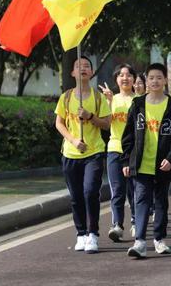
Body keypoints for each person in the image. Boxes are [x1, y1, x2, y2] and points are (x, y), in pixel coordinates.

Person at [122, 63, 171, 258]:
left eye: (159, 77)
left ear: (165, 80)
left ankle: (159, 239)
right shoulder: (138, 104)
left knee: (160, 202)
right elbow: (128, 135)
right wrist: (126, 161)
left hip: (163, 164)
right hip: (141, 164)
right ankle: (139, 241)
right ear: (146, 81)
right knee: (140, 200)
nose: (155, 81)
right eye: (151, 78)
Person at [54, 56, 112, 254]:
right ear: (72, 73)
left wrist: (90, 117)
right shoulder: (66, 97)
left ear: (92, 72)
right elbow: (59, 123)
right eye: (78, 66)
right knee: (76, 196)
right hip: (71, 153)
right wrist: (73, 140)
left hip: (93, 152)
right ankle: (81, 234)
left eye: (87, 66)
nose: (83, 69)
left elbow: (107, 123)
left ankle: (93, 234)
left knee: (90, 192)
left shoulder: (98, 98)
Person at [101, 64, 137, 242]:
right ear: (116, 79)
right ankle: (117, 225)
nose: (125, 78)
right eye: (121, 75)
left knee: (134, 190)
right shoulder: (111, 99)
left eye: (129, 75)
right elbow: (106, 124)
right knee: (117, 190)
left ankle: (137, 221)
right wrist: (108, 102)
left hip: (134, 151)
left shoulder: (140, 100)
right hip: (115, 149)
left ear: (134, 79)